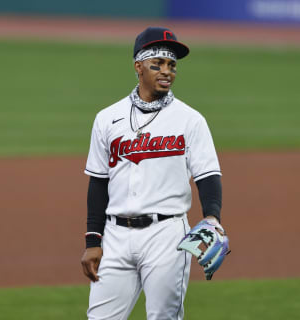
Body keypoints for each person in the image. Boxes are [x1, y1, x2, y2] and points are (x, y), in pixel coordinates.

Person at [81, 26, 223, 320]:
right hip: (116, 236)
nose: (166, 71)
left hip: (167, 236)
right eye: (157, 63)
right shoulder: (107, 118)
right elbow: (98, 182)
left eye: (172, 65)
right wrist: (93, 241)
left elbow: (208, 174)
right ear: (138, 67)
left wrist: (212, 217)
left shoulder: (190, 120)